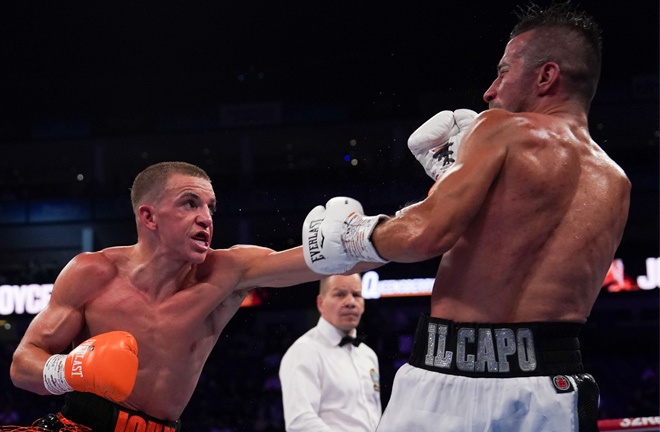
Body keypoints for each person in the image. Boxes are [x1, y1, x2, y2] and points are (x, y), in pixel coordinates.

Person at [302, 3, 631, 431]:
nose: (490, 91)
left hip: (449, 379)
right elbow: (521, 243)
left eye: (504, 71)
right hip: (554, 386)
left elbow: (424, 233)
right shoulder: (617, 183)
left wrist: (351, 234)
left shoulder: (501, 128)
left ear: (546, 76)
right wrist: (451, 180)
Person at [9, 161, 335, 432]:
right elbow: (22, 365)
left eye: (210, 208)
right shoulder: (92, 273)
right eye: (190, 203)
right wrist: (72, 369)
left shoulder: (227, 271)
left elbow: (311, 260)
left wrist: (365, 239)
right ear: (149, 217)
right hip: (81, 426)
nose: (206, 217)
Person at [279, 273, 381, 431]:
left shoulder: (368, 355)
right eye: (340, 294)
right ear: (321, 303)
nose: (350, 302)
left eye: (356, 295)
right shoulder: (304, 351)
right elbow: (300, 422)